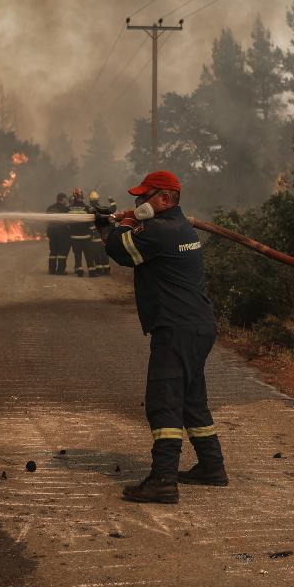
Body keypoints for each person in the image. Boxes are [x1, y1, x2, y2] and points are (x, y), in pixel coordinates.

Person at [104, 170, 226, 504]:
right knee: (191, 400)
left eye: (144, 197)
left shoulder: (160, 231)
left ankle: (163, 480)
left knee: (164, 402)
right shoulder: (180, 227)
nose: (138, 202)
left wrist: (116, 225)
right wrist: (131, 221)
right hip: (196, 326)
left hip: (176, 329)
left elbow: (118, 250)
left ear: (165, 199)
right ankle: (212, 467)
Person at [87, 191, 116, 277]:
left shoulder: (88, 209)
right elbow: (113, 209)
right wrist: (111, 200)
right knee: (104, 253)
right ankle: (107, 270)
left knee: (96, 254)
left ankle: (99, 269)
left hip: (93, 237)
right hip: (102, 236)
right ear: (98, 200)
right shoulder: (102, 208)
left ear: (90, 200)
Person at [67, 188, 93, 277]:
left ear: (73, 196)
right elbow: (91, 222)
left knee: (77, 255)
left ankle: (79, 271)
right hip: (86, 236)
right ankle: (92, 271)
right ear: (82, 196)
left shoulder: (69, 208)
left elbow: (67, 222)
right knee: (89, 254)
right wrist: (92, 233)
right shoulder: (86, 208)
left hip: (74, 237)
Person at [44, 193, 71, 275]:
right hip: (62, 233)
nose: (66, 201)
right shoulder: (65, 209)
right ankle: (60, 270)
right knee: (62, 252)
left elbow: (47, 220)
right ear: (62, 199)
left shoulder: (50, 208)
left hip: (51, 232)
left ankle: (51, 270)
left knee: (53, 251)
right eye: (65, 199)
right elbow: (68, 221)